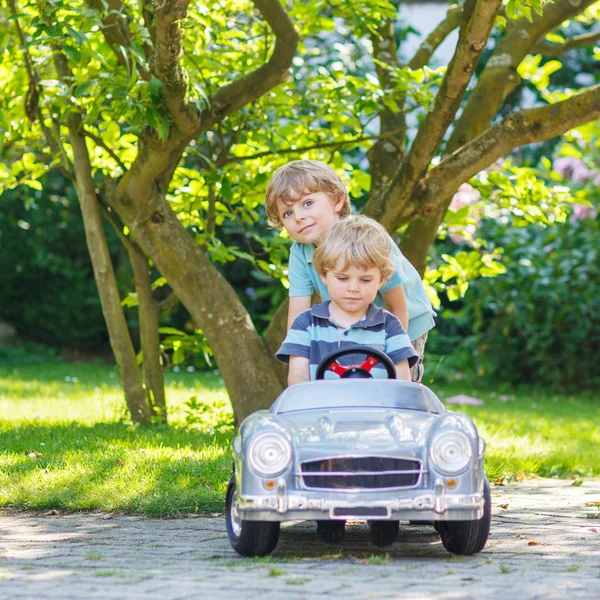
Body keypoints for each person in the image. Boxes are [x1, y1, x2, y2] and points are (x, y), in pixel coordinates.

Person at [265, 159, 435, 382]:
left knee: (392, 382)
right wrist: (299, 364)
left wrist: (386, 354)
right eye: (287, 213)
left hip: (404, 322)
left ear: (337, 200)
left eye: (307, 203)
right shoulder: (300, 253)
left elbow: (396, 307)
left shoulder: (368, 239)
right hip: (353, 318)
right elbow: (297, 317)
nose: (298, 216)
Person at [276, 216, 418, 386]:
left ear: (381, 281)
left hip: (377, 410)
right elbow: (297, 378)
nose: (353, 287)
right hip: (322, 410)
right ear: (324, 275)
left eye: (365, 280)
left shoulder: (390, 327)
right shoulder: (306, 324)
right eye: (343, 278)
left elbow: (402, 384)